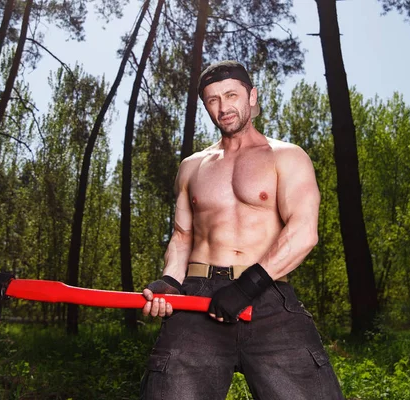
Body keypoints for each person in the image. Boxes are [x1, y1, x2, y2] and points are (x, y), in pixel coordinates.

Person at [140, 60, 344, 400]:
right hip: (197, 300)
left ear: (252, 96)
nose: (223, 107)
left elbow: (303, 232)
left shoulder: (288, 157)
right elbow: (182, 237)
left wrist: (247, 287)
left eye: (231, 95)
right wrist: (171, 283)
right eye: (212, 100)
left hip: (268, 297)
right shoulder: (192, 166)